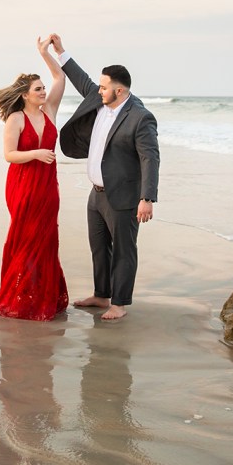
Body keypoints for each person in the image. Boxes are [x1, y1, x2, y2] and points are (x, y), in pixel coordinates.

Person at [49, 33, 160, 320]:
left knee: (124, 250)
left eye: (104, 87)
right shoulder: (100, 99)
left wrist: (147, 198)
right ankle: (101, 295)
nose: (98, 90)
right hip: (96, 193)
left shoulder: (140, 117)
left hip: (123, 196)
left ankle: (119, 304)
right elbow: (81, 79)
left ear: (119, 91)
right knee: (99, 247)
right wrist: (61, 52)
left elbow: (150, 158)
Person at [0, 36, 69, 321]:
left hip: (48, 186)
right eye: (38, 89)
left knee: (46, 240)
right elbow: (9, 155)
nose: (43, 92)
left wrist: (46, 52)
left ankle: (42, 296)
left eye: (43, 88)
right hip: (23, 186)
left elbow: (60, 77)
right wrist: (36, 154)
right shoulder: (16, 119)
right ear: (25, 95)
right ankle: (19, 297)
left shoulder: (50, 111)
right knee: (26, 239)